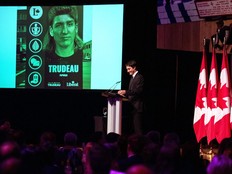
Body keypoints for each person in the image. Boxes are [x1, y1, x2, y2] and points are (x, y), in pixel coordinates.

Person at [43, 6, 84, 89]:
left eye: (69, 24)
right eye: (59, 25)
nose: (65, 31)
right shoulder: (43, 60)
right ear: (51, 30)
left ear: (76, 28)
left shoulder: (84, 59)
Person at [117, 60, 144, 134]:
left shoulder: (139, 77)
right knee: (133, 129)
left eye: (129, 69)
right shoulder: (132, 77)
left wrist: (125, 92)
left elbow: (138, 91)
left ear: (134, 67)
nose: (127, 71)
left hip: (137, 107)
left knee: (138, 129)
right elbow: (131, 91)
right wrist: (124, 94)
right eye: (127, 69)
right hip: (132, 107)